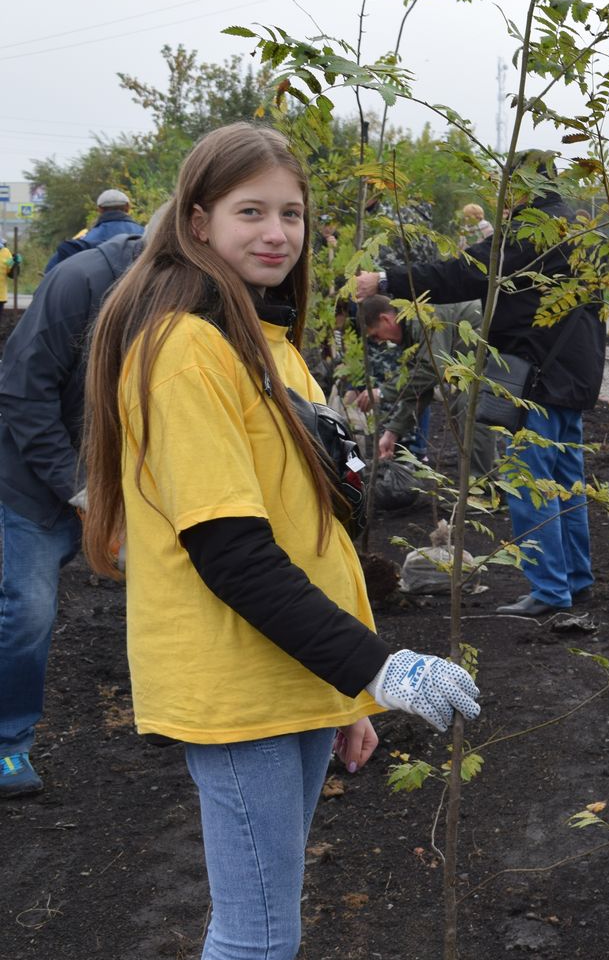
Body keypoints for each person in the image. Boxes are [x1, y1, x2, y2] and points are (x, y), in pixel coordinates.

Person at [80, 123, 480, 959]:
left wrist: (344, 690)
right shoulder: (185, 352)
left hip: (291, 672)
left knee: (265, 927)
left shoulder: (268, 345)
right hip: (238, 685)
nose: (276, 233)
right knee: (256, 937)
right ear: (197, 222)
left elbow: (317, 529)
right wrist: (378, 667)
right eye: (250, 211)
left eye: (291, 213)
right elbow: (233, 555)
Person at [353, 155, 605, 615]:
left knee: (529, 482)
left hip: (537, 376)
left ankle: (551, 591)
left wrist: (387, 279)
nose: (501, 198)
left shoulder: (534, 229)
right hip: (574, 374)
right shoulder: (580, 228)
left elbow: (465, 272)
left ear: (524, 186)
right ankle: (575, 579)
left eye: (506, 187)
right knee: (566, 481)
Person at [0, 220, 149, 797]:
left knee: (169, 589)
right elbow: (21, 390)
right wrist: (81, 491)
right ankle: (9, 745)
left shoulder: (185, 294)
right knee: (29, 609)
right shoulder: (79, 283)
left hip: (121, 481)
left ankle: (176, 714)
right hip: (37, 485)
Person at [357, 293, 497, 478]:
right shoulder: (409, 333)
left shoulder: (422, 318)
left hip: (501, 355)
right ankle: (489, 476)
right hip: (477, 368)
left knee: (469, 405)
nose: (380, 341)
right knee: (460, 406)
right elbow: (419, 390)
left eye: (376, 335)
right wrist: (393, 432)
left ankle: (484, 488)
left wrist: (382, 392)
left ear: (386, 319)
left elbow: (433, 370)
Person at [43, 189, 145, 275]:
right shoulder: (146, 234)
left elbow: (52, 269)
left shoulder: (84, 239)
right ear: (128, 207)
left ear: (99, 209)